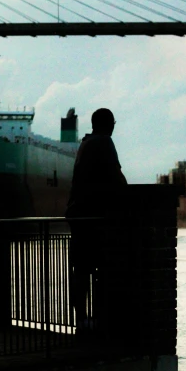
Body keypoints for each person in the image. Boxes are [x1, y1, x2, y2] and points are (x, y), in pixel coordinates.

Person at [66, 107, 128, 329]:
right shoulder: (103, 142)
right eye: (112, 122)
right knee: (98, 267)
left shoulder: (86, 142)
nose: (113, 126)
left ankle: (82, 319)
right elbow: (116, 177)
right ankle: (97, 319)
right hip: (91, 217)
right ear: (106, 124)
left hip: (78, 214)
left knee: (81, 270)